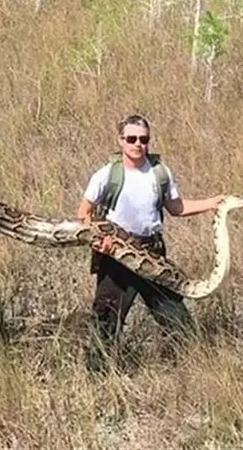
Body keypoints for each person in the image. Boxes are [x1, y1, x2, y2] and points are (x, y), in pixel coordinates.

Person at [76, 114, 224, 374]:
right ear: (120, 140)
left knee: (176, 317)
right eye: (131, 139)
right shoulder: (106, 174)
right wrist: (100, 241)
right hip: (116, 255)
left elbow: (176, 207)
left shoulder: (159, 172)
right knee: (106, 320)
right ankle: (97, 378)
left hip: (152, 254)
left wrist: (212, 203)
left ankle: (193, 371)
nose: (138, 144)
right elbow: (83, 213)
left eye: (143, 139)